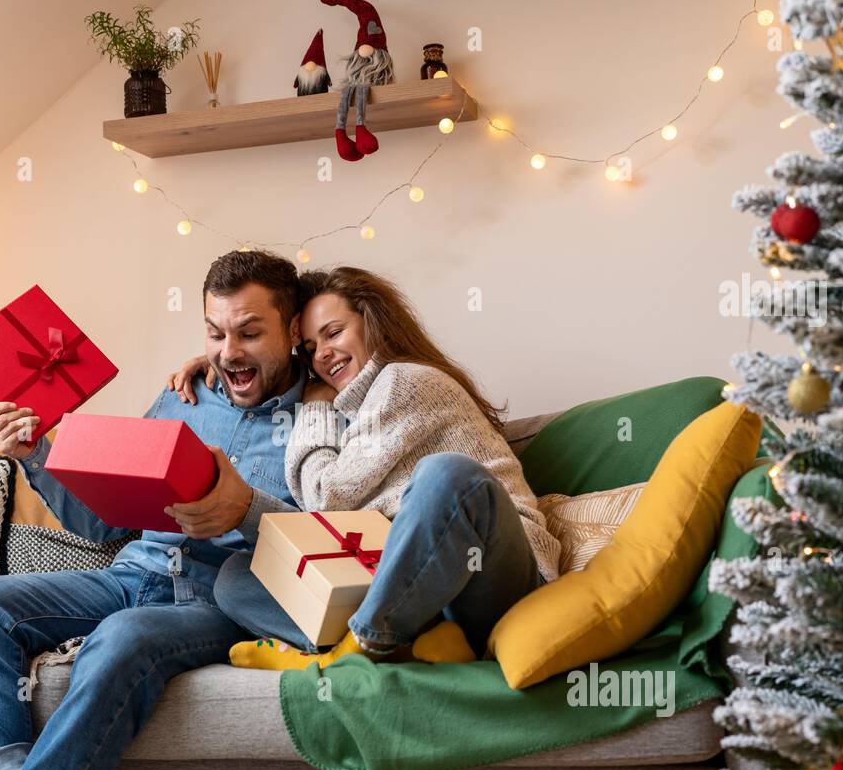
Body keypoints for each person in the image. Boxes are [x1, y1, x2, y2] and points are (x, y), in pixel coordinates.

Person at [0, 250, 309, 770]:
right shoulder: (184, 396)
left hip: (218, 598)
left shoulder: (323, 417)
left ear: (292, 331)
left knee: (124, 636)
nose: (229, 351)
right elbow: (102, 522)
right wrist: (35, 452)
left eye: (249, 332)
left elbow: (325, 543)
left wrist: (245, 508)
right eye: (215, 333)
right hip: (131, 571)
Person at [167, 265, 561, 670]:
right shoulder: (352, 412)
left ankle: (358, 647)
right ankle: (410, 645)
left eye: (334, 333)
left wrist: (315, 399)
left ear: (373, 324)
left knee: (447, 476)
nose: (322, 354)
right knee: (237, 577)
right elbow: (331, 534)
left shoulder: (405, 381)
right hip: (420, 595)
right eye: (308, 346)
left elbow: (326, 500)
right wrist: (223, 361)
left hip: (495, 579)